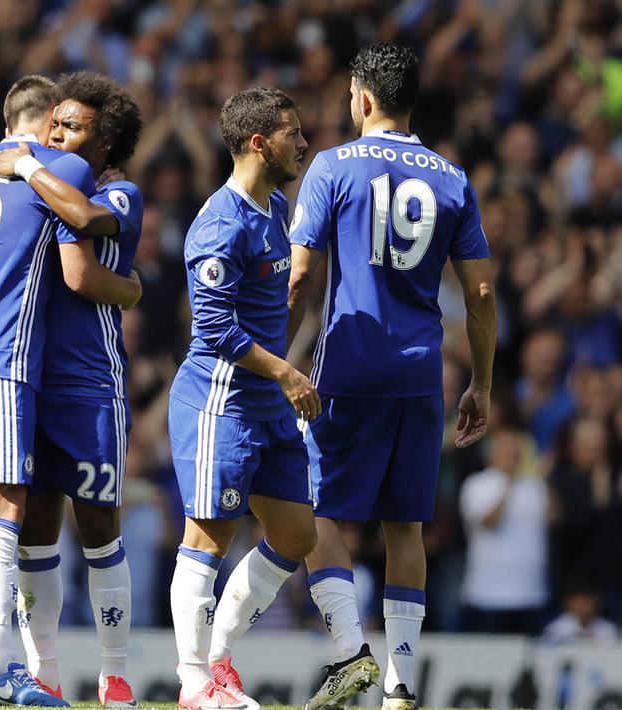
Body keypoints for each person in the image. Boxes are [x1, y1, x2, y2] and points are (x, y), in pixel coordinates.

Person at [287, 43, 496, 710]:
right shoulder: (452, 177)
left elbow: (297, 275)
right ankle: (402, 686)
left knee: (315, 511)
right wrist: (481, 384)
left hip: (346, 364)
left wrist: (264, 357)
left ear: (365, 99)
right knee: (403, 527)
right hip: (419, 374)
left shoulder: (331, 167)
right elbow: (482, 292)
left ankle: (350, 653)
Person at [0, 75, 138, 708]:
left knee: (69, 523)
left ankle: (110, 672)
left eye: (73, 129)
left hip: (79, 380)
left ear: (104, 143)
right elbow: (71, 270)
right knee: (15, 520)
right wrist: (136, 292)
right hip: (15, 365)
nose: (60, 136)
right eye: (57, 124)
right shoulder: (47, 169)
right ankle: (10, 668)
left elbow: (76, 258)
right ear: (42, 121)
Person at [166, 87, 317, 710]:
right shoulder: (221, 223)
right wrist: (284, 370)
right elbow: (215, 330)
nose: (304, 144)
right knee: (207, 538)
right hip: (220, 403)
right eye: (293, 134)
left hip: (265, 403)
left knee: (298, 534)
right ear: (260, 143)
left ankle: (220, 651)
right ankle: (193, 681)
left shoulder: (275, 208)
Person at [459, 428, 549, 635]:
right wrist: (509, 484)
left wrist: (544, 477)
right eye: (507, 451)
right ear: (492, 454)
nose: (512, 456)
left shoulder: (534, 485)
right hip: (488, 594)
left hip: (531, 593)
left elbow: (556, 519)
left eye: (516, 451)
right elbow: (490, 521)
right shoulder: (477, 484)